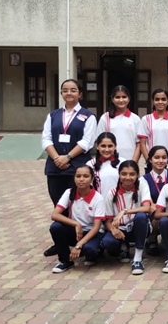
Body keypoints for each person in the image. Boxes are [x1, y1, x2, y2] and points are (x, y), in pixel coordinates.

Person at [41, 79, 96, 257]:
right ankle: (61, 241)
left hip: (77, 169)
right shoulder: (53, 115)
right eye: (65, 90)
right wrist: (57, 158)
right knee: (59, 205)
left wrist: (68, 157)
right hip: (55, 168)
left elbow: (87, 142)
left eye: (73, 90)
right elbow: (46, 139)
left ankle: (81, 238)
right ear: (61, 93)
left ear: (80, 93)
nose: (69, 93)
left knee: (78, 205)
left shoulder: (88, 116)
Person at [48, 165, 106, 273]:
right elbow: (55, 215)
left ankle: (96, 251)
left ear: (92, 179)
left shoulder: (98, 198)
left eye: (86, 176)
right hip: (76, 231)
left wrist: (79, 245)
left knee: (90, 250)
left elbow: (96, 227)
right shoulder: (69, 192)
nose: (81, 179)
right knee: (56, 227)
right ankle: (65, 261)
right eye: (78, 176)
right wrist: (76, 224)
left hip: (92, 232)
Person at [101, 160, 152, 275]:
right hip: (121, 229)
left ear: (137, 175)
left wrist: (124, 211)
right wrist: (113, 230)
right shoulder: (111, 193)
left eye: (132, 174)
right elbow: (108, 221)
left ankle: (138, 258)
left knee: (140, 216)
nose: (128, 177)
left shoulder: (142, 186)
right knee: (107, 243)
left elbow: (147, 208)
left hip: (137, 227)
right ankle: (123, 247)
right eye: (124, 174)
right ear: (119, 175)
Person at [142, 145, 168, 256]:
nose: (161, 161)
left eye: (164, 157)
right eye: (157, 157)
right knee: (158, 218)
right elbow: (149, 203)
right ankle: (152, 237)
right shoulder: (144, 179)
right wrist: (159, 210)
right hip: (154, 213)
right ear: (150, 160)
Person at [96, 85, 141, 162]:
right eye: (117, 97)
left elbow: (139, 144)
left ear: (129, 99)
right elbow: (99, 141)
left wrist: (133, 163)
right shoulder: (105, 117)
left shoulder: (135, 119)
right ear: (112, 99)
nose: (121, 100)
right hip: (109, 162)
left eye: (124, 97)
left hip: (129, 161)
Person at [138, 88, 168, 169]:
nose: (160, 102)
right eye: (157, 99)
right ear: (153, 101)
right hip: (151, 165)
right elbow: (142, 144)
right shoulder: (146, 119)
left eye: (163, 99)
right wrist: (149, 162)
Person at [86, 132, 120, 198]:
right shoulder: (90, 164)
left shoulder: (122, 163)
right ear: (97, 146)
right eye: (103, 146)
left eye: (110, 146)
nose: (107, 150)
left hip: (118, 202)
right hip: (98, 203)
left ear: (115, 146)